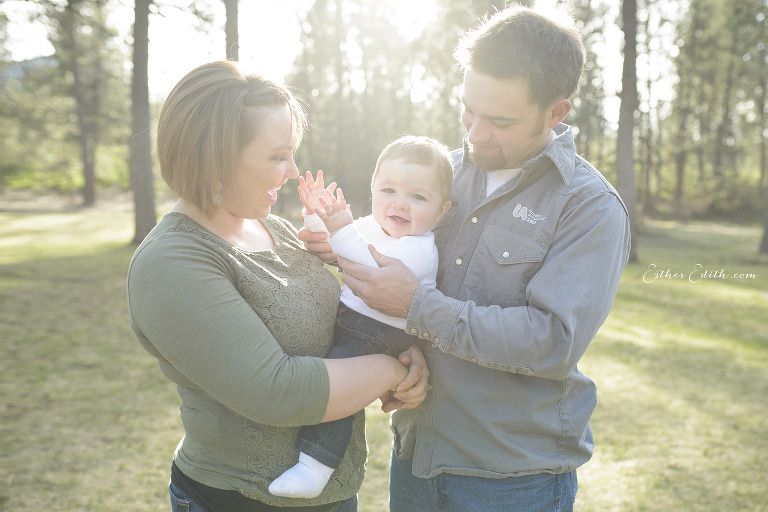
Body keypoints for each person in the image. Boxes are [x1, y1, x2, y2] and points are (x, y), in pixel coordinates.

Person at [299, 6, 632, 512]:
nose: (474, 134)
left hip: (510, 479)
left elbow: (552, 342)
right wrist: (396, 346)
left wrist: (416, 306)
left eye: (499, 121)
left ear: (555, 113)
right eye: (467, 111)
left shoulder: (589, 207)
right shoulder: (440, 177)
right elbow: (400, 271)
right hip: (415, 456)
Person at [126, 60, 429, 512]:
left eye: (291, 153)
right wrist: (390, 369)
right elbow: (278, 392)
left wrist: (401, 346)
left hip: (334, 493)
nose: (291, 171)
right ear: (216, 156)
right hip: (239, 499)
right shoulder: (172, 262)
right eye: (276, 156)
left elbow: (342, 325)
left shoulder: (278, 230)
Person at [269, 136, 453, 499]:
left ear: (441, 210)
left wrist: (341, 227)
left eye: (418, 197)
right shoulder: (372, 226)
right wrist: (314, 212)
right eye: (389, 190)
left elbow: (370, 272)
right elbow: (327, 239)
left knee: (341, 379)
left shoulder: (420, 250)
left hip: (381, 332)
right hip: (351, 318)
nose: (399, 204)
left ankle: (316, 466)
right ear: (373, 190)